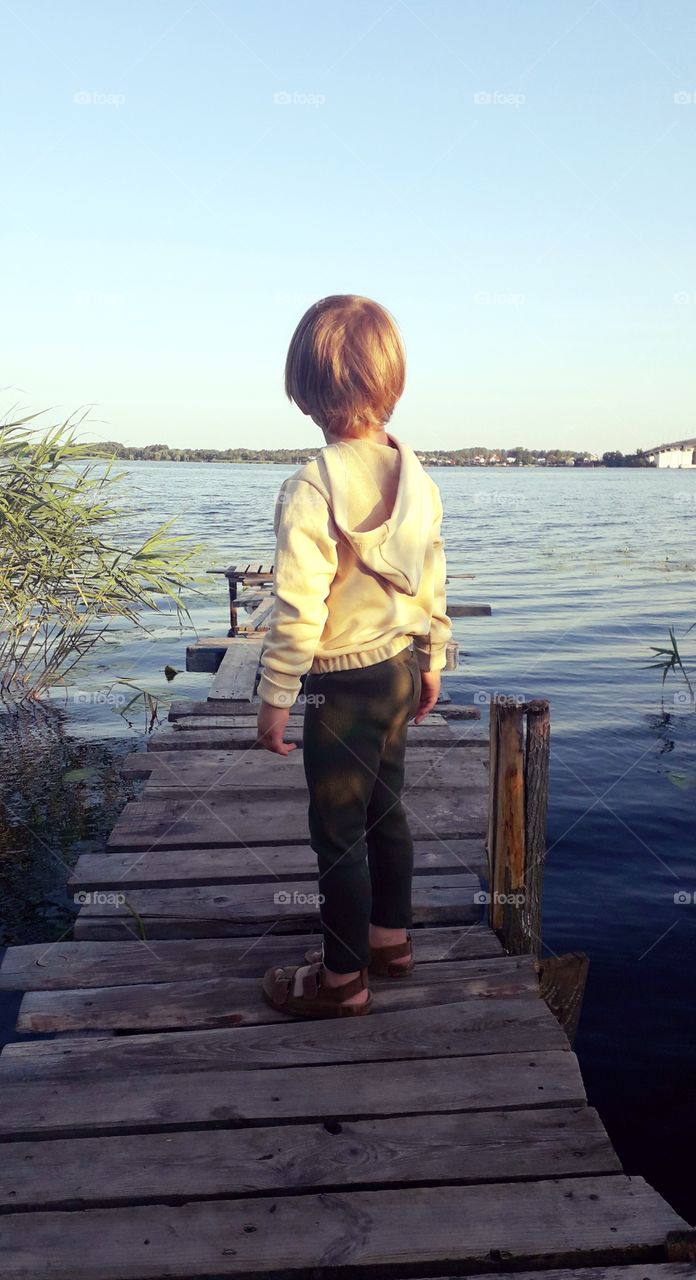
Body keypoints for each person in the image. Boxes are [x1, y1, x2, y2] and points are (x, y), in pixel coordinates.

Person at [257, 294, 451, 1018]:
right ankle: (389, 942)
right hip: (399, 671)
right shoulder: (417, 476)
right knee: (385, 810)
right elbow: (432, 576)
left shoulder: (311, 486)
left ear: (307, 391)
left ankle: (342, 981)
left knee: (337, 832)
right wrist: (434, 655)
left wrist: (276, 696)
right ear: (391, 382)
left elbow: (300, 607)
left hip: (338, 687)